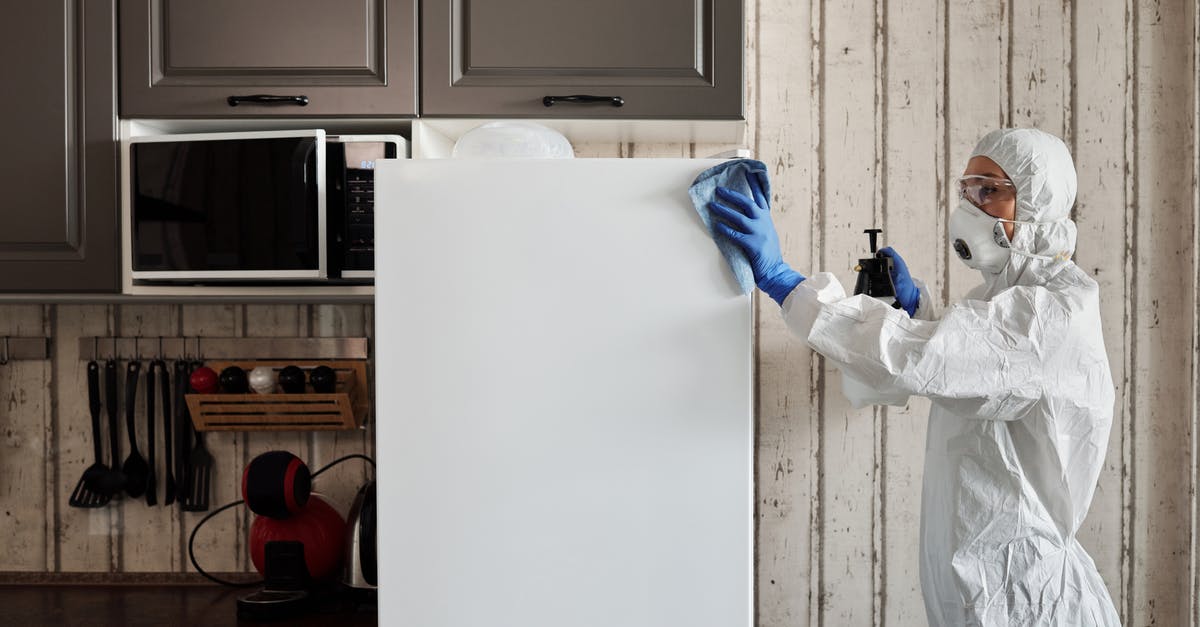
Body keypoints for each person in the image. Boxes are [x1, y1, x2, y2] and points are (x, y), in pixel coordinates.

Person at [708, 128, 1119, 626]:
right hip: (993, 590)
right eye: (967, 189)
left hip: (1026, 600)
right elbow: (961, 362)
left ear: (1037, 202)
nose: (971, 205)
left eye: (990, 190)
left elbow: (918, 357)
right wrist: (919, 312)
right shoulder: (1002, 304)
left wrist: (785, 281)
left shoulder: (1052, 313)